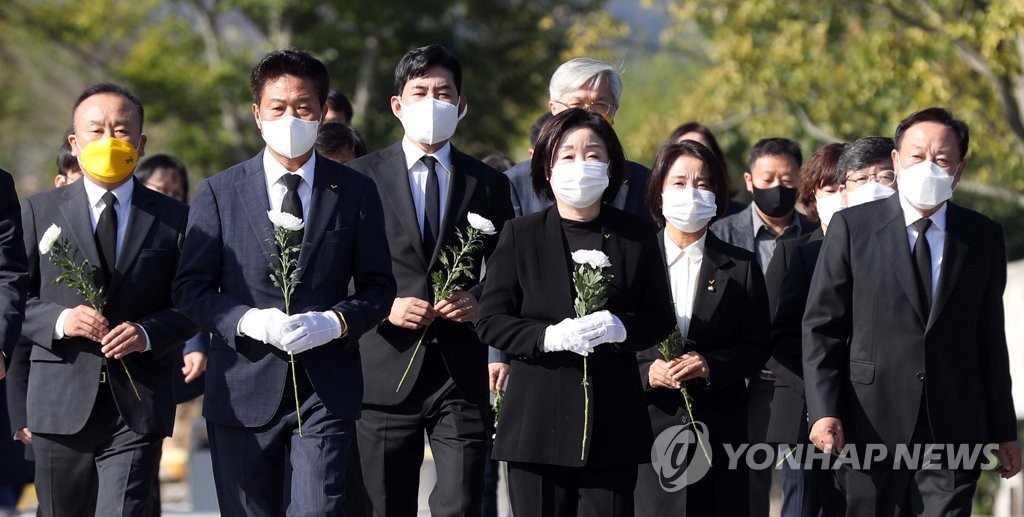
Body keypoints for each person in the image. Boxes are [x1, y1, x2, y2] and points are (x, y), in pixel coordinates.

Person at [172, 49, 396, 516]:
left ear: (320, 112)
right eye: (278, 107)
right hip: (242, 387)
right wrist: (249, 321)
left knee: (319, 509)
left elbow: (378, 287)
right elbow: (190, 288)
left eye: (303, 107)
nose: (290, 117)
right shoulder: (219, 191)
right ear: (257, 114)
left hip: (324, 387)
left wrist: (334, 322)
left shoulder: (353, 190)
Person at [804, 108, 1021, 516]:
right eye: (917, 156)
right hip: (867, 422)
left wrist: (1003, 431)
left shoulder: (982, 237)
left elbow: (989, 339)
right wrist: (824, 410)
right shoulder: (854, 228)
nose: (929, 167)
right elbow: (822, 326)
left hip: (953, 427)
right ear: (897, 161)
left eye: (941, 159)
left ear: (959, 170)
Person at [476, 108, 674, 516]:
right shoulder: (521, 233)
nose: (581, 165)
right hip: (536, 421)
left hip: (612, 421)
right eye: (568, 155)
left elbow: (659, 317)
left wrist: (621, 328)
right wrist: (547, 337)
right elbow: (491, 320)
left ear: (612, 168)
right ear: (547, 168)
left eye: (593, 154)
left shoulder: (634, 234)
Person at [345, 43, 514, 517]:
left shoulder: (489, 184)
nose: (432, 103)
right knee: (383, 505)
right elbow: (337, 270)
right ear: (398, 104)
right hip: (382, 371)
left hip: (460, 373)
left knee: (460, 504)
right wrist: (383, 305)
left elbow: (506, 268)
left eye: (443, 93)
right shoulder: (360, 179)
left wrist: (478, 299)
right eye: (420, 92)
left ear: (460, 106)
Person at [19, 83, 196, 517]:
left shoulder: (174, 217)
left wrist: (147, 332)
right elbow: (12, 294)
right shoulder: (38, 211)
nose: (109, 141)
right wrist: (60, 321)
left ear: (140, 141)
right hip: (60, 402)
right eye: (96, 131)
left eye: (121, 130)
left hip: (137, 402)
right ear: (75, 143)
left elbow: (193, 299)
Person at [634, 141, 770, 515]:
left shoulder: (739, 266)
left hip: (718, 433)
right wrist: (648, 370)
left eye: (703, 183)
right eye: (679, 182)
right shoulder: (635, 261)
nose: (692, 192)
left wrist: (711, 365)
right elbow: (611, 338)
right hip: (646, 430)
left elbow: (757, 346)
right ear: (658, 191)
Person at [768, 137, 896, 517]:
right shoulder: (801, 252)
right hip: (812, 410)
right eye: (830, 188)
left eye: (882, 177)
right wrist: (822, 387)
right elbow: (785, 334)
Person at [504, 58, 651, 219]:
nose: (587, 114)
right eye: (576, 104)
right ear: (554, 109)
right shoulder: (516, 182)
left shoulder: (642, 182)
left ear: (614, 111)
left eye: (600, 105)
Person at [664, 121, 745, 216]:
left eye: (702, 152)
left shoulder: (741, 217)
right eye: (684, 150)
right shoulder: (656, 223)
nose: (693, 159)